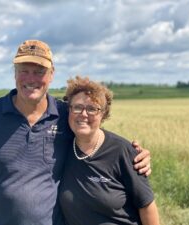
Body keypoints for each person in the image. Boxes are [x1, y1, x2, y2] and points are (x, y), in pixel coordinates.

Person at [0, 40, 152, 225]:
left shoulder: (66, 114)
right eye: (24, 71)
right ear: (15, 74)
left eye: (39, 72)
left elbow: (95, 135)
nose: (31, 79)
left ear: (52, 74)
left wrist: (133, 154)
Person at [59, 76, 160, 225]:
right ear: (69, 110)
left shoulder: (122, 151)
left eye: (92, 109)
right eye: (78, 107)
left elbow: (146, 205)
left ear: (103, 114)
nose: (84, 114)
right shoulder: (61, 146)